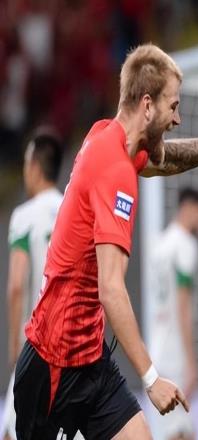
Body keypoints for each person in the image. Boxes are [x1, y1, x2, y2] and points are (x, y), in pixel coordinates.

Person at [13, 43, 198, 440]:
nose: (178, 119)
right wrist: (151, 379)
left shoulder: (106, 134)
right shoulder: (115, 170)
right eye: (173, 106)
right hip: (53, 368)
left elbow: (161, 161)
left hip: (91, 357)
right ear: (147, 105)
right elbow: (111, 288)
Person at [1, 130, 64, 440]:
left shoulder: (25, 216)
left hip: (35, 343)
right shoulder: (72, 210)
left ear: (35, 167)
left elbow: (16, 285)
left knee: (11, 431)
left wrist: (15, 348)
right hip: (70, 345)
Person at [147, 187, 198, 440]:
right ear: (189, 208)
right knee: (179, 432)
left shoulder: (160, 244)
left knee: (179, 429)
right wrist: (191, 361)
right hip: (175, 353)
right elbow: (183, 306)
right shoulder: (185, 245)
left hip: (157, 347)